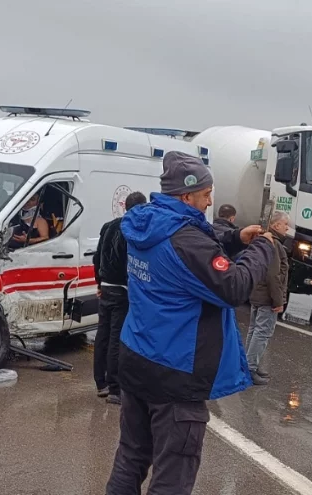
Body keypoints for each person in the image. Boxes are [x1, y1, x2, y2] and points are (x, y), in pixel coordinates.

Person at [106, 151, 274, 494]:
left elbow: (190, 241)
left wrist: (233, 238)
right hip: (175, 373)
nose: (210, 201)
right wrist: (262, 249)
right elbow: (233, 288)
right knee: (174, 473)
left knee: (131, 456)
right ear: (186, 196)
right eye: (205, 195)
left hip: (136, 358)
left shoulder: (145, 222)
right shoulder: (186, 242)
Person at [93, 191, 147, 405]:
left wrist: (99, 281)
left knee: (102, 336)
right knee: (117, 338)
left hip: (106, 287)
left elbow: (97, 257)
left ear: (125, 207)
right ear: (142, 208)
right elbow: (129, 261)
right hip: (122, 290)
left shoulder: (108, 226)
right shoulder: (132, 229)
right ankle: (115, 388)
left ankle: (101, 383)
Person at [245, 211, 290, 385]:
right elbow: (274, 275)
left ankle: (248, 365)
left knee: (254, 330)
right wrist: (278, 301)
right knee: (262, 332)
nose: (287, 227)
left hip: (257, 292)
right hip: (267, 297)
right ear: (276, 225)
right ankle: (250, 368)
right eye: (285, 224)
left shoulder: (261, 240)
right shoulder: (275, 244)